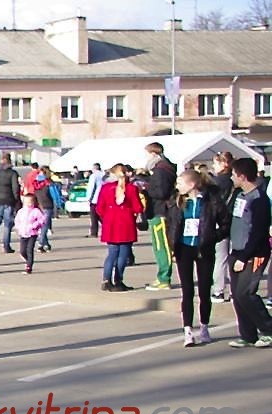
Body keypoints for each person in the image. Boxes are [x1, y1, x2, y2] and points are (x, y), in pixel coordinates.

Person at [165, 170, 230, 347]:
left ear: (192, 184)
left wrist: (212, 237)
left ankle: (204, 327)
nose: (177, 186)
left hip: (204, 249)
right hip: (184, 249)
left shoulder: (211, 201)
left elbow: (226, 223)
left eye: (180, 183)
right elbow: (171, 224)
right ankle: (187, 330)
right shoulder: (176, 201)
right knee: (187, 290)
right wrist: (172, 244)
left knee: (204, 290)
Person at [225, 158, 272, 348]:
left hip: (253, 253)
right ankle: (247, 334)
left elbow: (258, 231)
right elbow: (231, 220)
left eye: (233, 174)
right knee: (237, 296)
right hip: (236, 250)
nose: (231, 177)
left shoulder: (259, 199)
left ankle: (268, 329)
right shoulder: (239, 195)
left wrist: (245, 257)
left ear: (242, 176)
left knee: (246, 293)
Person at [96, 164, 143, 292]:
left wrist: (107, 216)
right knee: (123, 254)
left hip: (110, 222)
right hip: (126, 222)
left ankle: (106, 280)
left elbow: (99, 208)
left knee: (112, 253)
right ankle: (118, 280)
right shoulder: (132, 188)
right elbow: (138, 207)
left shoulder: (106, 188)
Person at [143, 142, 177, 291]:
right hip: (157, 210)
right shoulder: (161, 169)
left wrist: (146, 188)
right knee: (159, 246)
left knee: (162, 246)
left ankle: (164, 278)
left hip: (160, 211)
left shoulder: (161, 170)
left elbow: (161, 192)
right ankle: (161, 277)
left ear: (153, 154)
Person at [210, 152, 235, 302]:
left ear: (224, 164)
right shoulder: (235, 181)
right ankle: (234, 291)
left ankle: (218, 291)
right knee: (234, 256)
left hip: (220, 222)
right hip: (235, 221)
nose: (213, 166)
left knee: (221, 258)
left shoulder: (216, 183)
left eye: (216, 163)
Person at [0, 154, 20, 253]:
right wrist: (16, 200)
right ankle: (6, 246)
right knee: (7, 224)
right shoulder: (12, 173)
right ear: (9, 161)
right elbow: (15, 188)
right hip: (8, 200)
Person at [14, 194, 45, 274]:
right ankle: (28, 261)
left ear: (34, 202)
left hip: (32, 234)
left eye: (30, 202)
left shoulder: (36, 211)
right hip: (23, 233)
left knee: (29, 250)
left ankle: (29, 267)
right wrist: (18, 228)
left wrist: (34, 225)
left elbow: (42, 220)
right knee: (22, 251)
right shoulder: (21, 211)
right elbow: (17, 220)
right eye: (26, 202)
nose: (28, 204)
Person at [33, 167, 56, 252]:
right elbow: (54, 195)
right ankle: (41, 244)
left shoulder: (35, 183)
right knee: (44, 226)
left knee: (42, 226)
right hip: (47, 205)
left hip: (39, 205)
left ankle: (46, 244)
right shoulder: (49, 183)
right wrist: (59, 204)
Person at [87, 163, 105, 238]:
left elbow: (92, 187)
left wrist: (89, 199)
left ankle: (94, 233)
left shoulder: (93, 176)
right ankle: (108, 229)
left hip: (95, 199)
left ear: (94, 168)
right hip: (103, 198)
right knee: (102, 216)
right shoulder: (104, 175)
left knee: (94, 217)